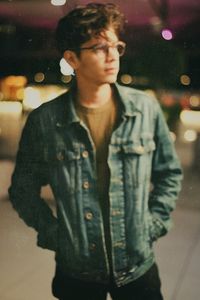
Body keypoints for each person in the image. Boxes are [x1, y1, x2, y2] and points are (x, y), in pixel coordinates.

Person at [9, 3, 182, 300]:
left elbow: (169, 174)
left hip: (137, 268)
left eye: (117, 46)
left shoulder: (145, 108)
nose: (113, 55)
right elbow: (23, 190)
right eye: (100, 47)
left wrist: (153, 224)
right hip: (76, 272)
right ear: (72, 58)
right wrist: (54, 235)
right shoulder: (45, 121)